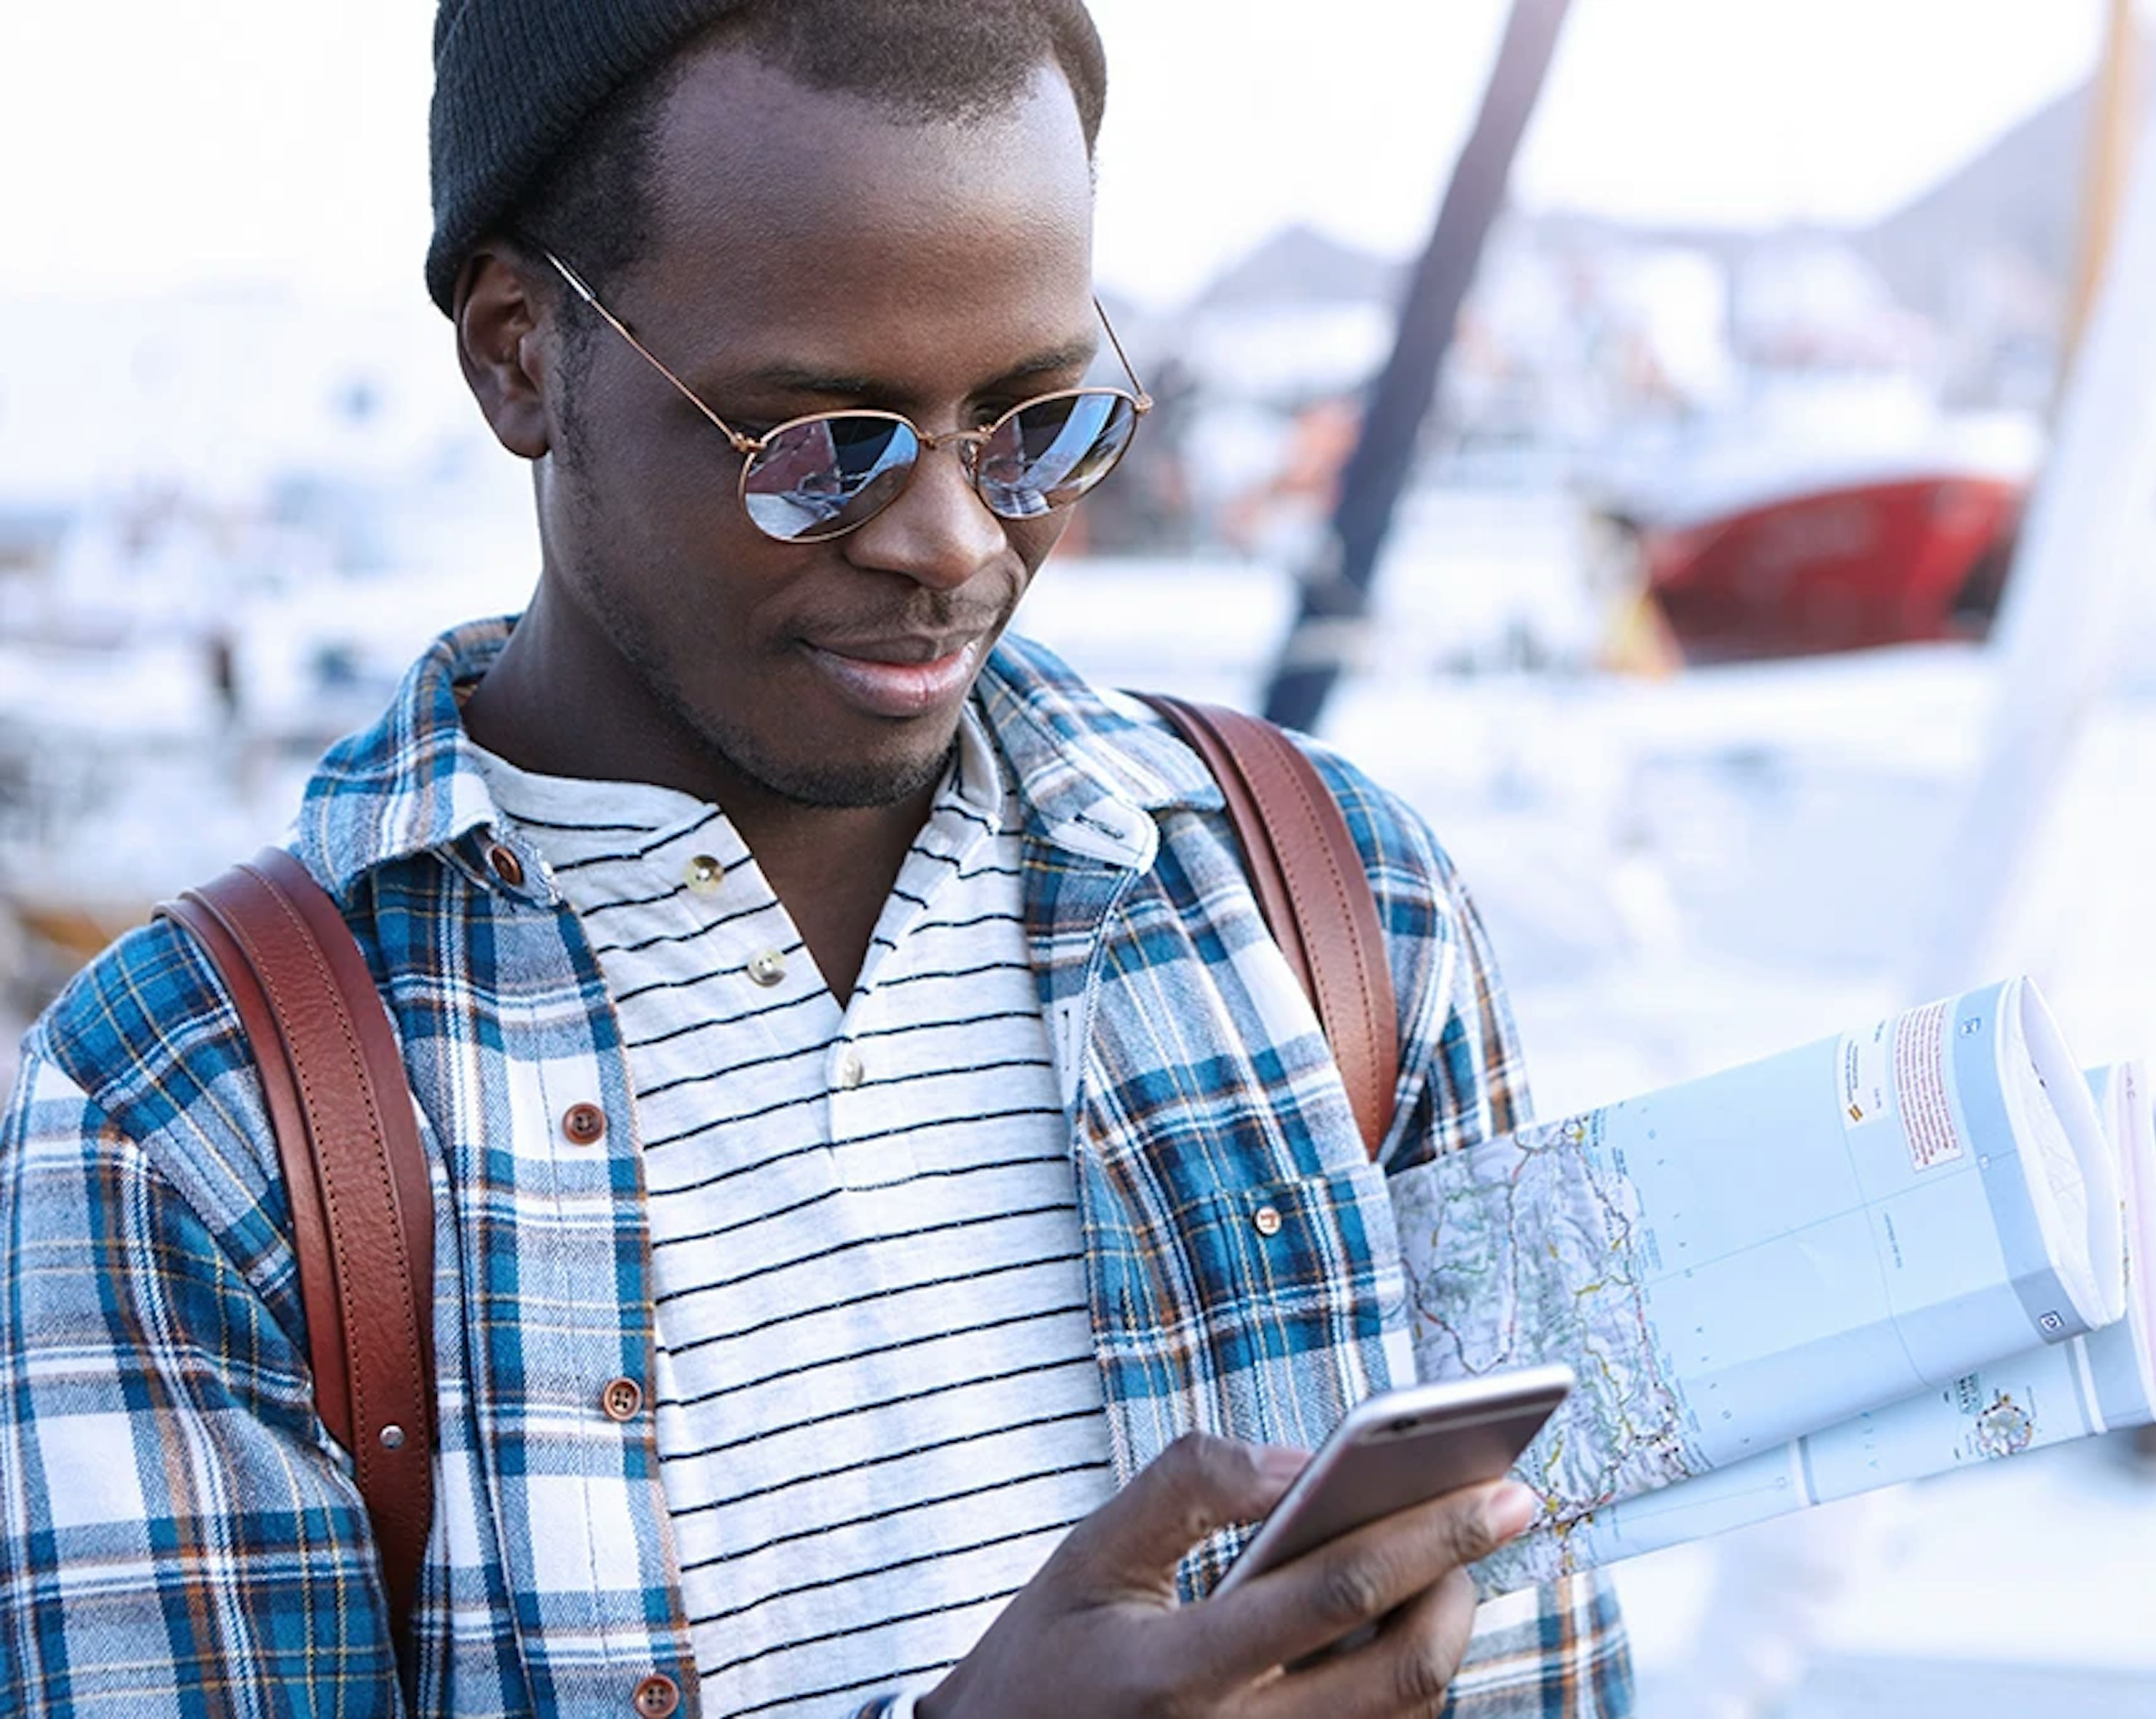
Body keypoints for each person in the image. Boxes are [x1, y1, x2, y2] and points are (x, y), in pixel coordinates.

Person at [0, 3, 1631, 1714]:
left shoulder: (1338, 911)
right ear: (517, 355)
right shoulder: (193, 1113)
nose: (952, 539)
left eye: (1037, 423)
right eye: (820, 446)